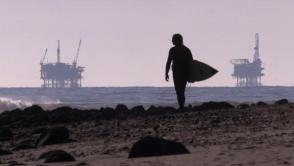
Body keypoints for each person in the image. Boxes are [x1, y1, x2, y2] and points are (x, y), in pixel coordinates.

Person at [165, 34, 193, 109]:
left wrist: (166, 73)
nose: (172, 41)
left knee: (179, 91)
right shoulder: (186, 50)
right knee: (181, 90)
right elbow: (192, 63)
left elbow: (168, 62)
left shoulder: (173, 50)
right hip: (183, 73)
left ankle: (181, 106)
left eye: (173, 39)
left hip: (179, 73)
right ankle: (181, 106)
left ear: (178, 40)